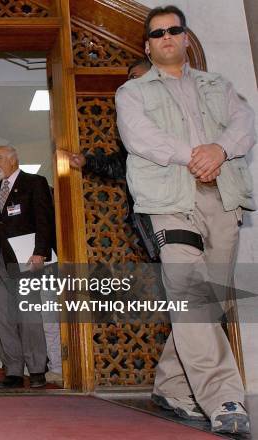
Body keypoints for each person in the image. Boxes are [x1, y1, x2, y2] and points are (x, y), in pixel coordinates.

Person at [116, 6, 255, 434]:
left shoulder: (219, 85)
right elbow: (141, 137)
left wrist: (220, 150)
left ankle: (172, 385)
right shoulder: (132, 93)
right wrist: (195, 156)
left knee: (207, 301)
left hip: (222, 196)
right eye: (158, 34)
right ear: (148, 45)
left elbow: (244, 123)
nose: (167, 37)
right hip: (169, 200)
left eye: (174, 30)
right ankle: (225, 397)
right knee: (193, 295)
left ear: (186, 38)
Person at [0, 145, 56, 389]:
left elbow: (45, 220)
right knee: (3, 318)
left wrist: (41, 252)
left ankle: (36, 369)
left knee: (28, 315)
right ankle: (13, 370)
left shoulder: (35, 183)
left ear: (14, 160)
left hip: (26, 259)